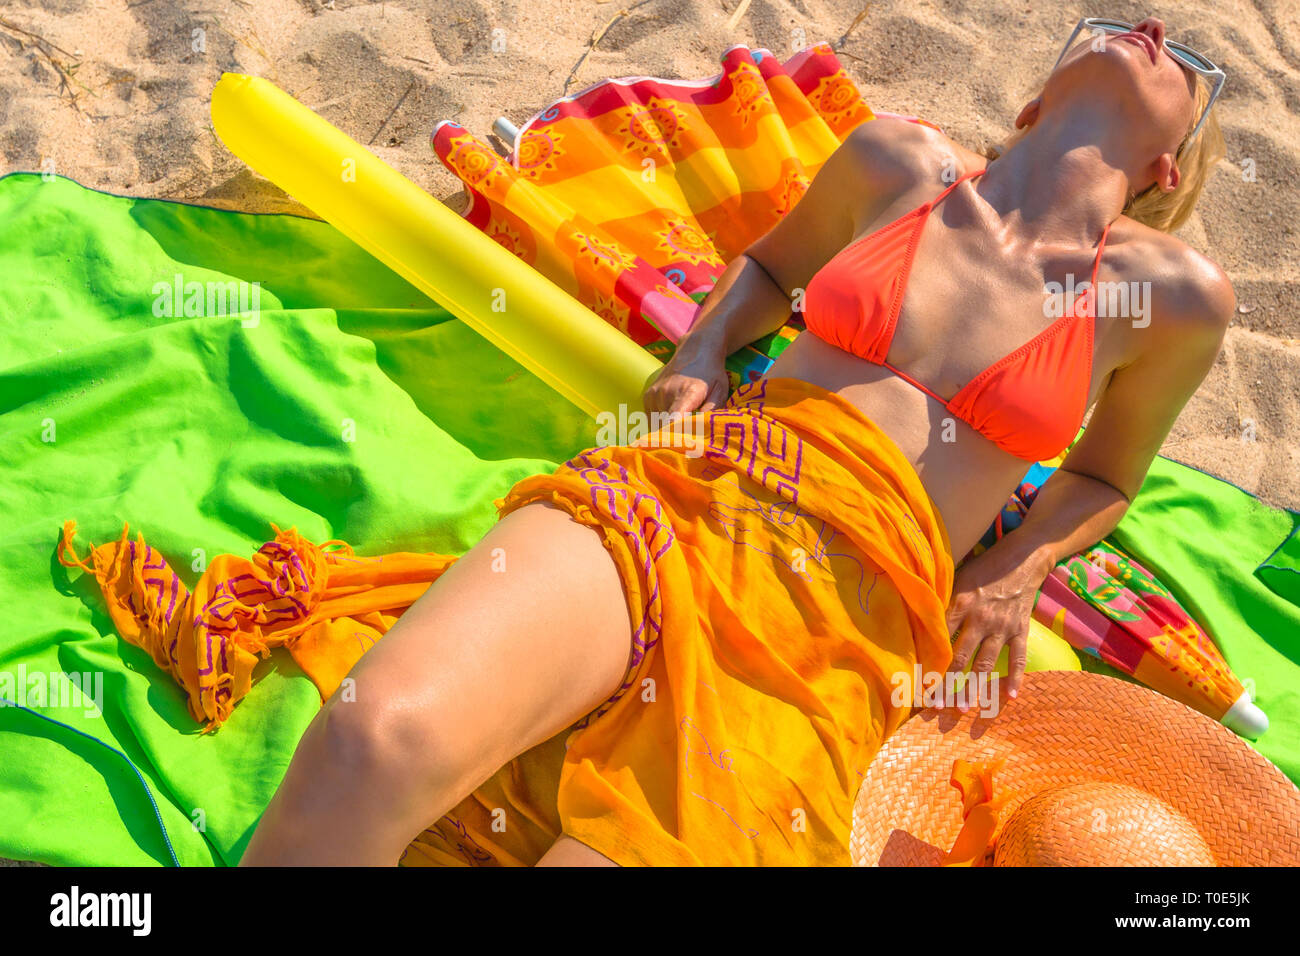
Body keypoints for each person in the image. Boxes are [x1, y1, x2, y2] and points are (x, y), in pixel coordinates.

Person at [240, 16, 1232, 866]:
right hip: (698, 486)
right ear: (1033, 98)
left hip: (854, 602)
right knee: (373, 735)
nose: (1149, 33)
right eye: (1125, 23)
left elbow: (1106, 474)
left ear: (1168, 164)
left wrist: (1019, 564)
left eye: (1188, 60)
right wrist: (707, 345)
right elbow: (767, 266)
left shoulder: (1170, 298)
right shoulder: (899, 163)